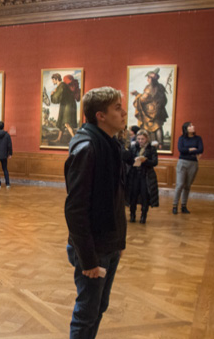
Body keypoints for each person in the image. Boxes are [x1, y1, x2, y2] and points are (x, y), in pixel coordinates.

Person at [64, 86, 127, 338]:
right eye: (117, 108)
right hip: (93, 248)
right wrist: (89, 259)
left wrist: (118, 241)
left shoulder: (109, 146)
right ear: (100, 115)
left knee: (99, 306)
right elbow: (75, 210)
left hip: (108, 243)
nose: (124, 113)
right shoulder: (88, 149)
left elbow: (115, 199)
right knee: (87, 312)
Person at [124, 130, 159, 223]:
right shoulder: (133, 147)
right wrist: (133, 160)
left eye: (142, 139)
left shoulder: (151, 148)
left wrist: (145, 161)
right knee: (133, 196)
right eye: (138, 139)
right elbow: (128, 160)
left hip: (146, 175)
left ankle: (143, 216)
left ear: (146, 138)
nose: (140, 141)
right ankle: (132, 215)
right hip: (134, 174)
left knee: (145, 196)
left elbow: (155, 162)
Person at [131, 68, 168, 149]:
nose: (147, 79)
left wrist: (136, 94)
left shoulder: (149, 88)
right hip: (158, 111)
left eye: (148, 77)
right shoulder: (160, 87)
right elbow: (164, 99)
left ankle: (149, 144)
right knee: (158, 127)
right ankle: (160, 144)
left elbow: (143, 99)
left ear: (151, 79)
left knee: (148, 128)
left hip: (149, 112)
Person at [174, 122, 203, 214]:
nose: (193, 126)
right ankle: (174, 205)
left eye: (193, 125)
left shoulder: (198, 138)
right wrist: (192, 149)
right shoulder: (182, 138)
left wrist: (188, 150)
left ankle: (184, 206)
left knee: (187, 186)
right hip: (182, 163)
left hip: (193, 163)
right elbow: (180, 150)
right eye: (190, 126)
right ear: (186, 128)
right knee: (180, 185)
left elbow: (201, 149)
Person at [51, 73, 81, 143]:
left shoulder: (62, 86)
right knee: (62, 122)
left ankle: (75, 139)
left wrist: (52, 95)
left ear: (56, 79)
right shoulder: (61, 86)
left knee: (67, 123)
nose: (52, 81)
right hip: (65, 105)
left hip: (68, 106)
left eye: (53, 80)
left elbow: (56, 98)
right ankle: (59, 139)